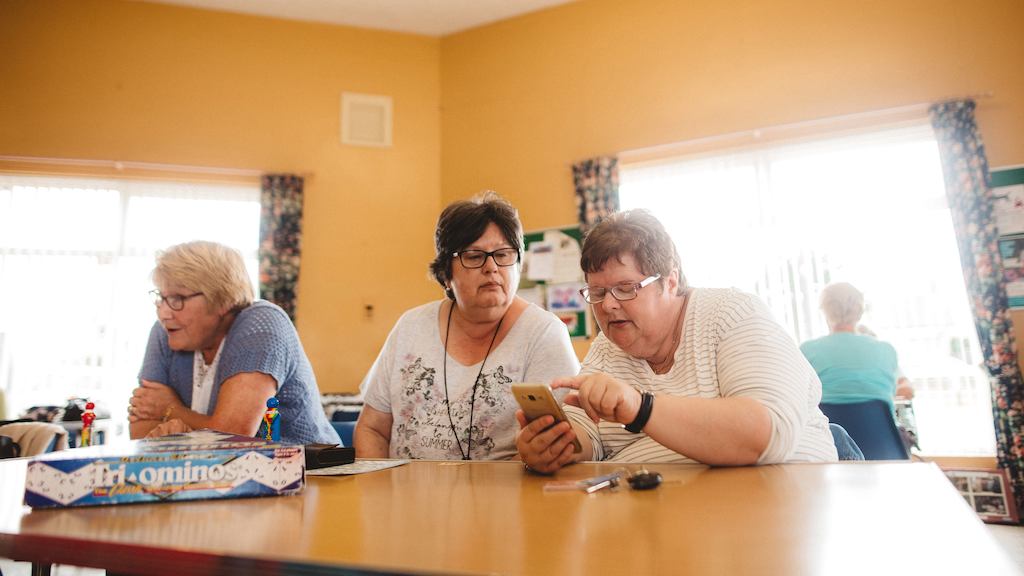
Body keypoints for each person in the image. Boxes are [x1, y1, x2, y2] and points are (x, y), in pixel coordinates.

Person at [516, 210, 837, 473]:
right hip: (662, 514)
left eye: (626, 288)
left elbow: (766, 435)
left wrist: (640, 408)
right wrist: (558, 447)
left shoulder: (732, 313)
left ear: (670, 281)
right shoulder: (607, 347)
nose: (608, 305)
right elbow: (588, 435)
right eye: (597, 292)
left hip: (773, 504)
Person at [356, 192, 580, 460]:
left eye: (503, 254)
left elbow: (560, 442)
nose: (491, 267)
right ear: (445, 273)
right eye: (474, 256)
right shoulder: (411, 326)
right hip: (403, 497)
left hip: (505, 498)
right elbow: (373, 429)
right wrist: (380, 496)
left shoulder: (543, 333)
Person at [128, 241, 339, 445]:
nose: (164, 313)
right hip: (207, 476)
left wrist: (171, 409)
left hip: (310, 474)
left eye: (178, 299)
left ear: (221, 299)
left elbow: (233, 437)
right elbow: (142, 433)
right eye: (161, 298)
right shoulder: (166, 331)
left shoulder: (262, 324)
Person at [800, 283, 908, 414]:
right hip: (880, 433)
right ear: (860, 311)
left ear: (825, 310)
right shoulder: (886, 350)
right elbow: (903, 390)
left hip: (829, 433)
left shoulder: (807, 351)